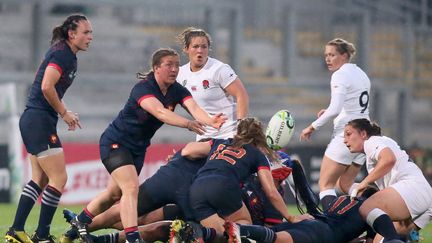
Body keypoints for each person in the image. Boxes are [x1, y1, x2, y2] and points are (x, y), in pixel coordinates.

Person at [68, 48, 226, 243]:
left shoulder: (176, 90)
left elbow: (194, 108)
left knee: (113, 194)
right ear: (156, 68)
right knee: (131, 188)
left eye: (177, 65)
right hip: (116, 143)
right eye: (169, 65)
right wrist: (187, 124)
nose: (175, 69)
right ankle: (132, 238)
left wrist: (210, 121)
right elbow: (160, 113)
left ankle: (78, 222)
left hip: (138, 149)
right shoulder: (144, 88)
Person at [4, 14, 93, 243]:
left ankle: (16, 230)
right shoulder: (62, 54)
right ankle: (42, 235)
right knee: (59, 178)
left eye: (90, 32)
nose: (90, 37)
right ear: (72, 34)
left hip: (37, 119)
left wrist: (61, 113)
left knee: (40, 179)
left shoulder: (67, 54)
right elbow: (46, 86)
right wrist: (64, 113)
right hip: (39, 120)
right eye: (86, 32)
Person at [183, 117, 312, 237]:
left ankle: (190, 233)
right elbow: (271, 192)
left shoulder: (220, 143)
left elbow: (187, 151)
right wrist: (291, 217)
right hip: (223, 185)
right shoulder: (257, 155)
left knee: (218, 234)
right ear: (259, 136)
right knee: (243, 224)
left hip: (196, 188)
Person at [299, 38, 372, 210]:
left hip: (347, 135)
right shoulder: (361, 73)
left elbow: (335, 108)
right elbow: (353, 105)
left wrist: (313, 126)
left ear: (344, 56)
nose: (328, 59)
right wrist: (332, 112)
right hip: (364, 134)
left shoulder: (340, 75)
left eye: (332, 55)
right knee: (346, 185)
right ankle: (377, 208)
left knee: (325, 185)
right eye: (326, 55)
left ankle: (334, 227)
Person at [344, 118, 432, 241]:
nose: (345, 140)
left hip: (411, 189)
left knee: (366, 208)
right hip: (423, 195)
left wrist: (364, 182)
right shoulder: (383, 141)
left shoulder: (371, 142)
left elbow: (389, 159)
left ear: (363, 134)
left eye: (348, 134)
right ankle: (406, 237)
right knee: (377, 240)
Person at [225, 185, 381, 243]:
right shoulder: (371, 211)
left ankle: (209, 233)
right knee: (276, 239)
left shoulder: (345, 198)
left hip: (311, 222)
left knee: (271, 232)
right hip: (322, 234)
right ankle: (240, 230)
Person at [176, 27, 249, 141]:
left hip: (229, 133)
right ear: (186, 49)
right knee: (182, 156)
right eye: (195, 46)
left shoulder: (219, 69)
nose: (200, 50)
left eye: (204, 47)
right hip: (204, 135)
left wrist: (241, 128)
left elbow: (241, 95)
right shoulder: (180, 74)